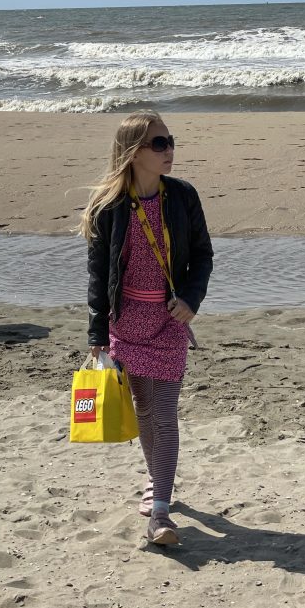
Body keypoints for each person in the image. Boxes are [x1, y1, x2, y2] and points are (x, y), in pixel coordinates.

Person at [81, 110, 213, 546]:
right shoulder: (110, 207)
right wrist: (97, 334)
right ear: (133, 152)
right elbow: (98, 275)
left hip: (170, 321)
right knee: (144, 411)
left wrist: (192, 300)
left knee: (165, 411)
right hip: (127, 324)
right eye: (160, 144)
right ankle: (158, 479)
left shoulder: (183, 196)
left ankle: (160, 513)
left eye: (170, 141)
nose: (170, 150)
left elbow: (202, 255)